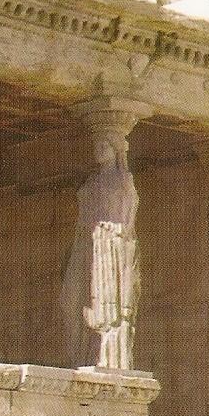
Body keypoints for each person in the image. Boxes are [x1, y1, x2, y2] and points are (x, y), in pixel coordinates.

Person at [60, 132, 141, 369]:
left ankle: (111, 360)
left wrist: (117, 236)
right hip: (89, 244)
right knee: (72, 299)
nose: (99, 149)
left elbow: (128, 217)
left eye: (105, 145)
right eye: (97, 145)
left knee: (109, 304)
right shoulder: (91, 184)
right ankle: (84, 355)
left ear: (116, 149)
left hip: (111, 245)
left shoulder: (123, 179)